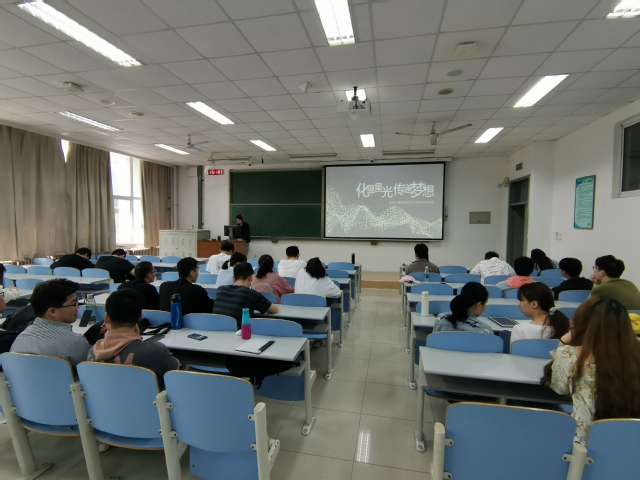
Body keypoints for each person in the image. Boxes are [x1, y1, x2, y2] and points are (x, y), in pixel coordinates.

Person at [541, 296, 640, 443]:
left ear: (582, 324)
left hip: (585, 441)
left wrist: (562, 342)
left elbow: (559, 388)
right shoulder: (634, 356)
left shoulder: (570, 355)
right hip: (632, 440)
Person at [87, 289, 179, 390]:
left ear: (106, 317)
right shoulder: (156, 352)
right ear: (140, 316)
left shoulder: (92, 352)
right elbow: (178, 375)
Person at [10, 278, 90, 366]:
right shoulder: (76, 343)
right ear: (52, 312)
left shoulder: (20, 339)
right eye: (73, 304)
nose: (77, 307)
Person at [213, 262, 278, 328]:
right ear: (250, 279)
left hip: (216, 330)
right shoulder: (251, 294)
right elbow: (274, 310)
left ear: (233, 278)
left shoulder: (220, 290)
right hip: (239, 332)